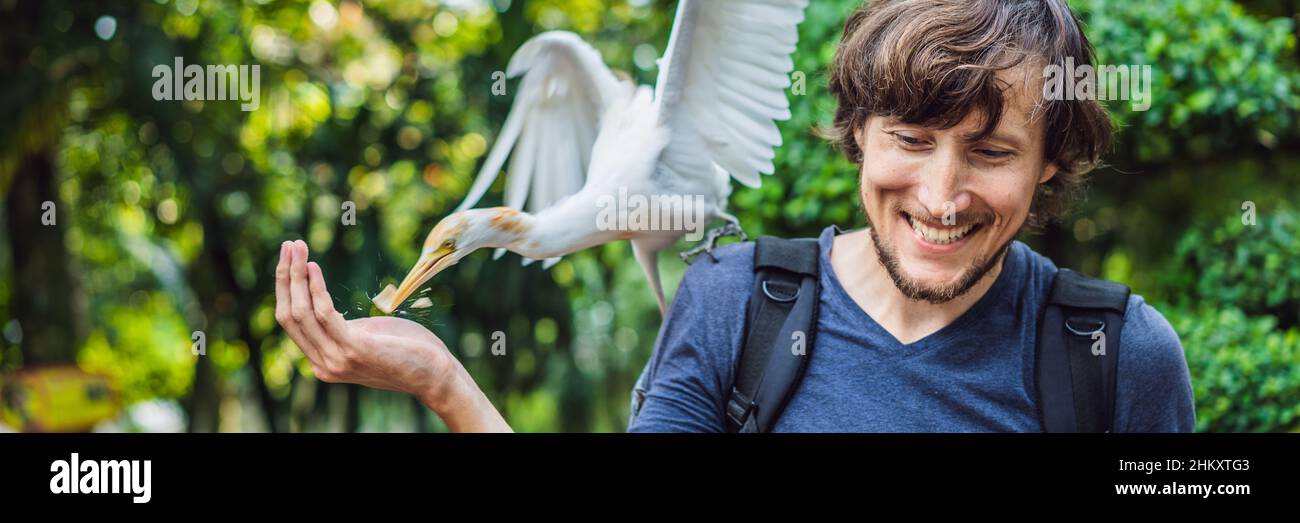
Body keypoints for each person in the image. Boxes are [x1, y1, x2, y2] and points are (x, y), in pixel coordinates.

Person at [274, 0, 1196, 433]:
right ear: (857, 133)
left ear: (1051, 164)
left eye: (992, 152)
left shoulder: (1119, 359)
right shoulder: (728, 308)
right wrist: (444, 382)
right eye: (912, 138)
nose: (942, 194)